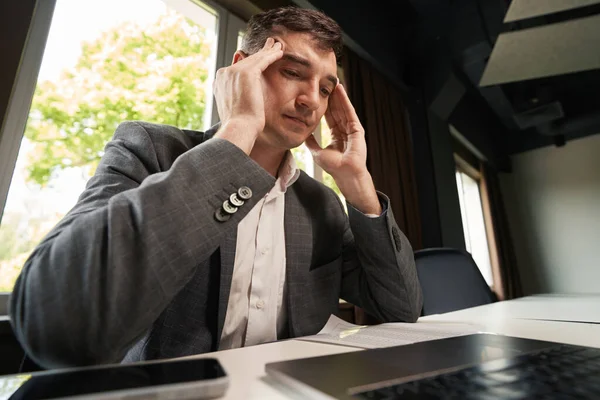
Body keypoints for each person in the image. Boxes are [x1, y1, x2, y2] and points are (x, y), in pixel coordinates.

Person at [9, 6, 423, 369]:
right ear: (241, 69)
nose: (312, 100)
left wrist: (360, 187)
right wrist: (239, 129)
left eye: (326, 88)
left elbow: (402, 307)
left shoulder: (322, 203)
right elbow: (58, 322)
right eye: (294, 73)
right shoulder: (150, 149)